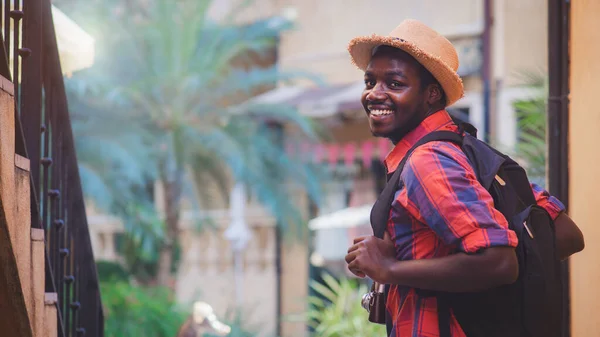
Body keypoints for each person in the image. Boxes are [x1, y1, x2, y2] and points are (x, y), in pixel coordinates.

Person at [344, 19, 585, 337]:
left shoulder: (428, 160)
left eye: (395, 83)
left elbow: (499, 262)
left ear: (431, 94)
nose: (374, 94)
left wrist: (391, 269)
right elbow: (565, 234)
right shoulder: (472, 152)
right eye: (370, 82)